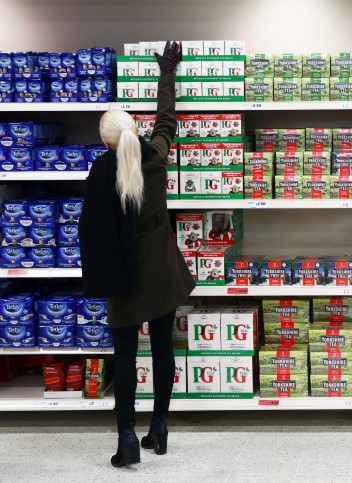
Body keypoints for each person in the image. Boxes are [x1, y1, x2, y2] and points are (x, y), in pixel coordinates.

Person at [79, 41, 195, 468]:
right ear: (135, 132)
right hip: (163, 275)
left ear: (105, 142)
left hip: (125, 281)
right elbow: (167, 120)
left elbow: (91, 232)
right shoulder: (157, 158)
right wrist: (168, 72)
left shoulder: (99, 173)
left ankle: (127, 438)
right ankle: (159, 428)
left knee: (125, 356)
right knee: (163, 349)